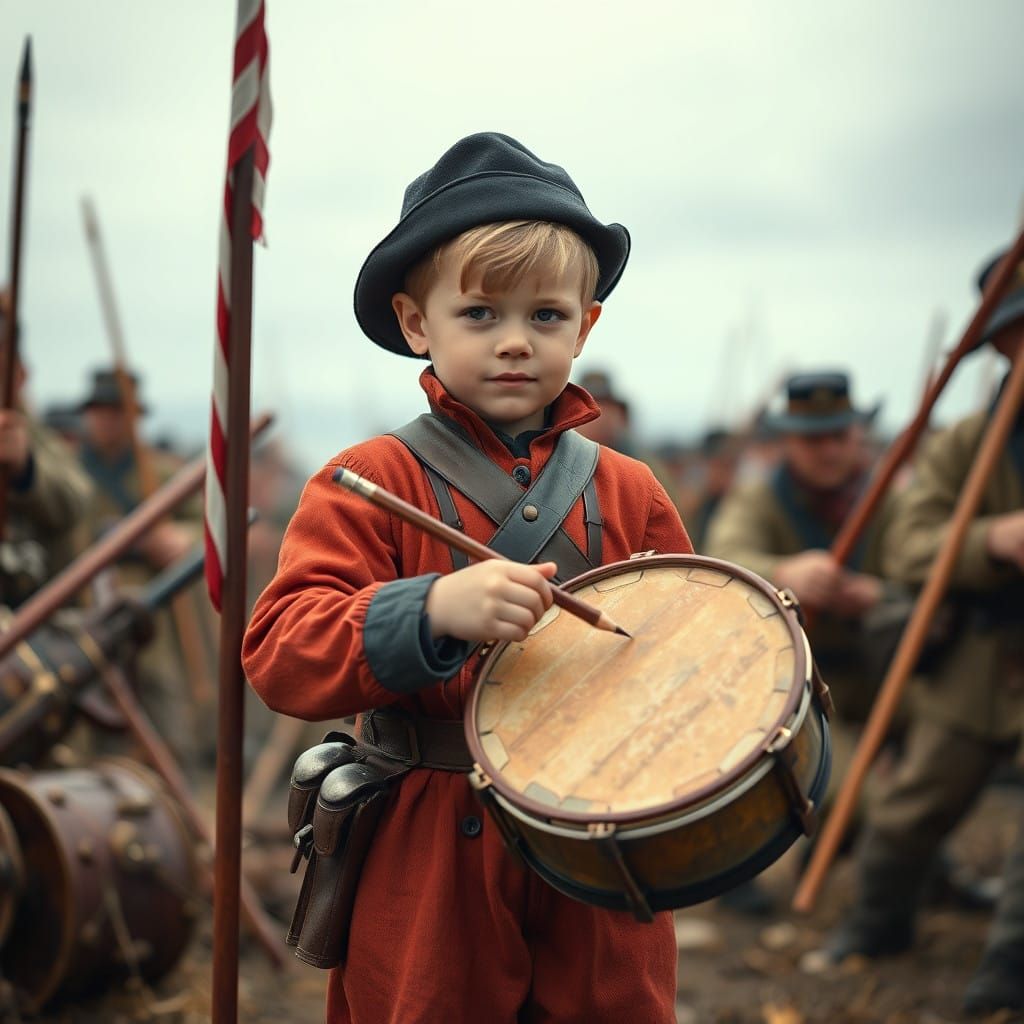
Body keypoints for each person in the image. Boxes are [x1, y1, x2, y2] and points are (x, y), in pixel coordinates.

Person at [243, 132, 693, 1023]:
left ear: (587, 323)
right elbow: (280, 652)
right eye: (480, 315)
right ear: (418, 323)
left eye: (547, 316)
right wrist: (431, 609)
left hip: (600, 838)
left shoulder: (629, 489)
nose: (515, 342)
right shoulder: (365, 480)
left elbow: (689, 645)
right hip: (429, 847)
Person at [824, 249, 1024, 1017]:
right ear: (1000, 343)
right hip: (975, 659)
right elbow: (913, 547)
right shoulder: (967, 443)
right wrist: (993, 540)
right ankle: (878, 925)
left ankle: (1007, 971)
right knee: (908, 810)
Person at [75, 367, 204, 767]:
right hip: (81, 608)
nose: (108, 420)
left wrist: (180, 537)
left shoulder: (159, 473)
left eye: (117, 410)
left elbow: (205, 531)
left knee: (164, 715)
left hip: (152, 614)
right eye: (101, 410)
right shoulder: (71, 470)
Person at [0, 289, 93, 609]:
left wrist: (24, 468)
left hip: (36, 617)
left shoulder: (33, 437)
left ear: (20, 375)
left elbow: (74, 498)